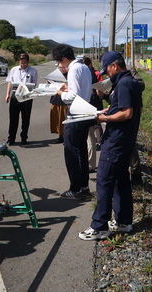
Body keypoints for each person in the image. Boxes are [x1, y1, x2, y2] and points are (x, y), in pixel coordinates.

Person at [79, 51, 143, 241]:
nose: (106, 73)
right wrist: (110, 109)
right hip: (125, 140)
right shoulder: (131, 82)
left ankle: (99, 226)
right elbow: (135, 109)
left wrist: (105, 117)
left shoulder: (122, 84)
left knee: (104, 179)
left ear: (114, 65)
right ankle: (124, 221)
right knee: (121, 179)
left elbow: (127, 113)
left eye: (106, 69)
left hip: (116, 140)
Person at [52, 44, 93, 200]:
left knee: (71, 152)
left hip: (75, 112)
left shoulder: (73, 69)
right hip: (85, 111)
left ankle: (74, 189)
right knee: (81, 151)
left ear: (64, 59)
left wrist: (60, 92)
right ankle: (84, 187)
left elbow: (72, 96)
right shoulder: (84, 67)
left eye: (59, 63)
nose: (60, 66)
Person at [5, 53, 38, 146]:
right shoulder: (14, 70)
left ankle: (24, 137)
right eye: (21, 63)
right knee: (13, 118)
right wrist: (7, 94)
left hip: (27, 96)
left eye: (25, 63)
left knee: (26, 118)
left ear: (28, 62)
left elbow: (34, 84)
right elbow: (10, 83)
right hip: (15, 95)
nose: (23, 65)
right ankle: (11, 138)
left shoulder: (33, 71)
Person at [83, 56, 104, 172]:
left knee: (89, 135)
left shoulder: (87, 73)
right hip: (94, 102)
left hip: (88, 105)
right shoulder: (91, 72)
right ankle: (90, 163)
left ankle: (90, 164)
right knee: (93, 130)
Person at [49, 66, 68, 144]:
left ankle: (66, 137)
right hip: (55, 98)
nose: (62, 69)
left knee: (64, 119)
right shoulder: (55, 75)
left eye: (63, 67)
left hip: (65, 99)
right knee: (57, 119)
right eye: (60, 68)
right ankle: (60, 136)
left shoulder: (70, 74)